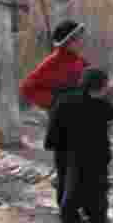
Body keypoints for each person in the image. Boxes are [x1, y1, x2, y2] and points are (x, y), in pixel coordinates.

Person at [45, 68, 113, 223]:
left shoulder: (63, 101)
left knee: (67, 188)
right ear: (99, 86)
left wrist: (52, 145)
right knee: (97, 190)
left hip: (66, 154)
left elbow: (53, 126)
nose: (107, 87)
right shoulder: (99, 106)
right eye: (105, 84)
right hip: (94, 156)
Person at [21, 19, 90, 208]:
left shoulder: (79, 60)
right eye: (78, 39)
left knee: (82, 167)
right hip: (62, 124)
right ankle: (67, 215)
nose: (82, 42)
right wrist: (54, 103)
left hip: (81, 123)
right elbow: (27, 88)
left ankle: (81, 208)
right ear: (68, 41)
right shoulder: (52, 63)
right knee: (65, 169)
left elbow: (90, 81)